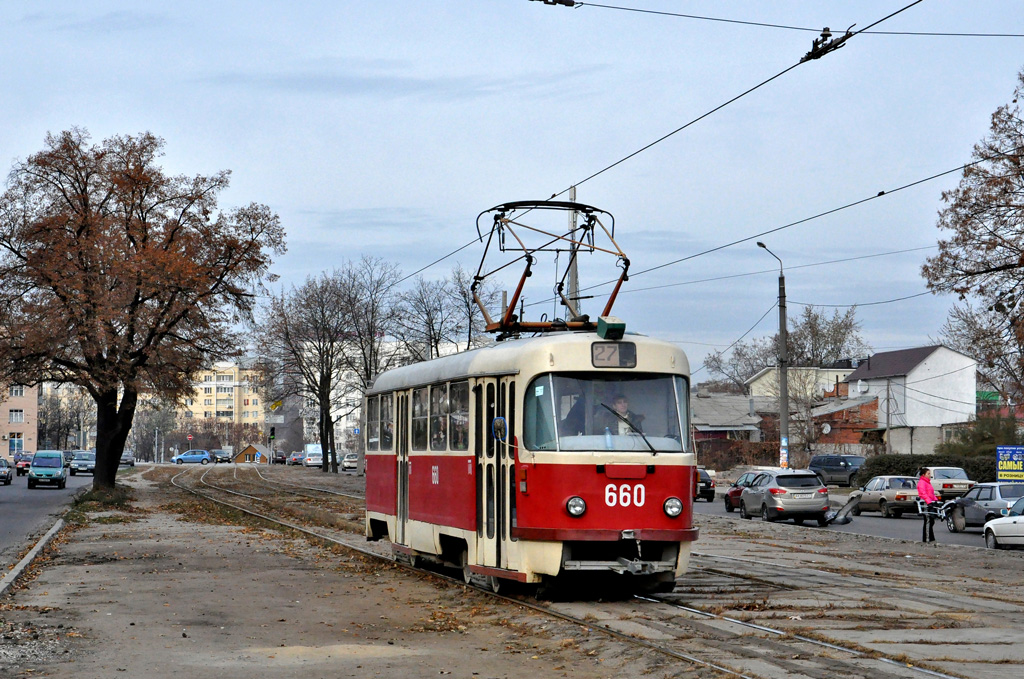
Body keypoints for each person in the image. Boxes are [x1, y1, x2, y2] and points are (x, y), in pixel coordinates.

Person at [917, 467, 938, 543]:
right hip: (926, 503)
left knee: (931, 521)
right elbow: (923, 493)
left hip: (930, 502)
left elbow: (931, 493)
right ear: (923, 475)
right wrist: (929, 502)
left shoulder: (927, 482)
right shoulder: (922, 483)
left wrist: (935, 500)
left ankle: (931, 538)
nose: (930, 475)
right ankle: (927, 539)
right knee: (928, 521)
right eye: (928, 474)